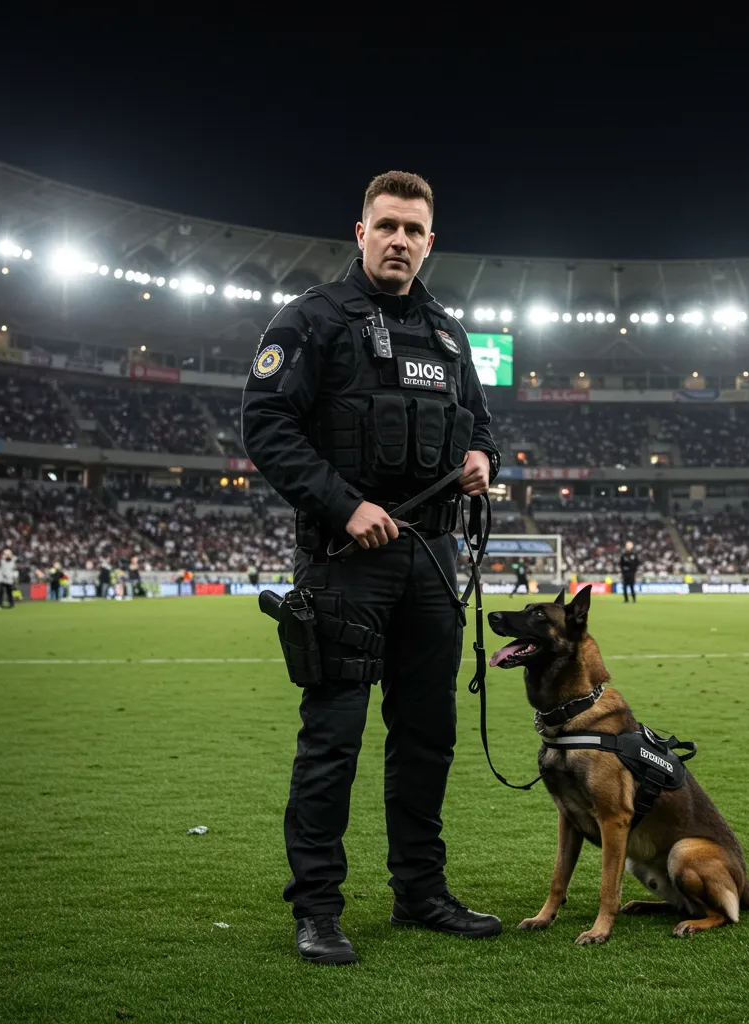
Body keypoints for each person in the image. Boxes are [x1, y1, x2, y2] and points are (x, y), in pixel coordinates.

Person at [242, 170, 502, 967]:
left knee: (428, 738)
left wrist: (482, 458)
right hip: (347, 560)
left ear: (431, 241)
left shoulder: (453, 337)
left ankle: (420, 894)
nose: (399, 241)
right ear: (360, 233)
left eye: (414, 230)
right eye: (386, 226)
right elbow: (266, 424)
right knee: (334, 741)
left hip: (432, 559)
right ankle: (317, 909)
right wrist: (345, 505)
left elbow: (488, 426)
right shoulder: (313, 320)